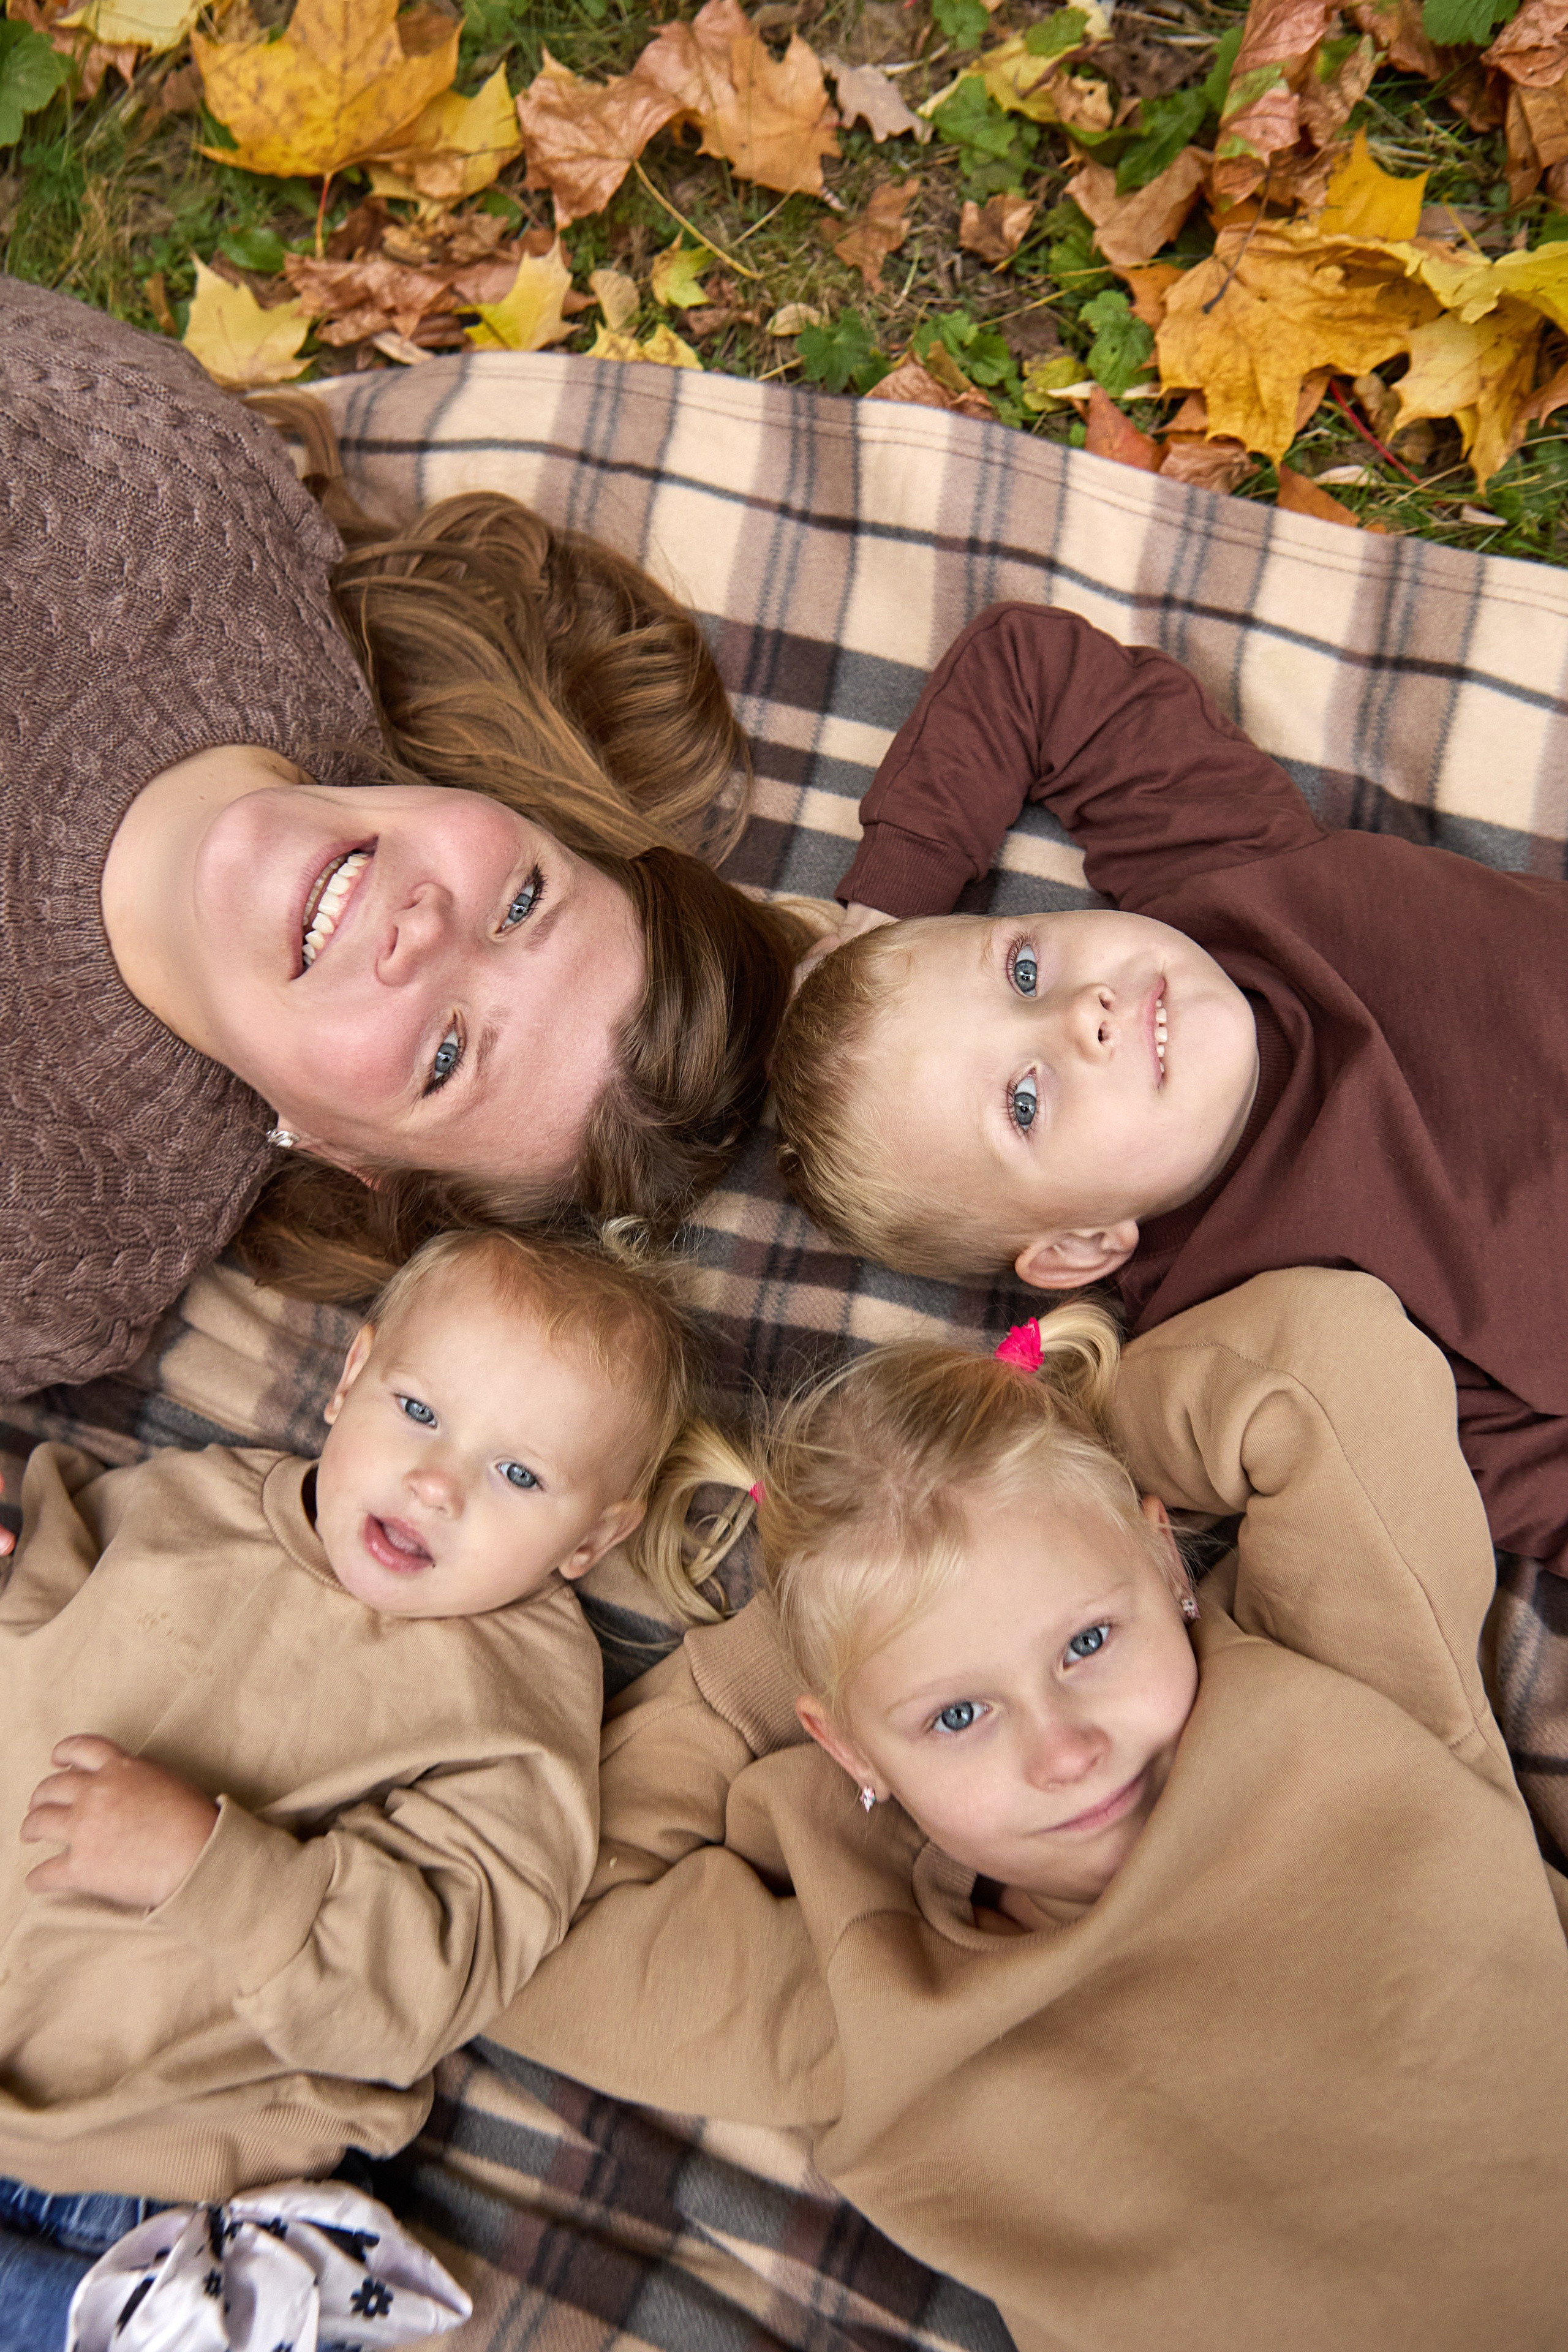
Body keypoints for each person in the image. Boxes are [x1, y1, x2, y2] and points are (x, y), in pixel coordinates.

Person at [487, 1270, 1568, 2352]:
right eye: (957, 1713)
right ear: (849, 1747)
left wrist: (1057, 1459)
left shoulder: (1340, 1666)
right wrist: (775, 1656)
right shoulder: (877, 1990)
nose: (1065, 1752)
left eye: (1089, 1644)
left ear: (1160, 1555)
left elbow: (1322, 1356)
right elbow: (526, 1946)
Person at [1, 274, 809, 1395]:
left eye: (444, 1058)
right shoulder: (146, 493)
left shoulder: (52, 1260)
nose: (429, 931)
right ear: (518, 814)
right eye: (523, 902)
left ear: (342, 1151)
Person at [0, 1224, 725, 2346]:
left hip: (139, 2170)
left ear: (592, 1540)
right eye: (420, 1412)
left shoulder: (514, 1706)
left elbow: (418, 1988)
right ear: (352, 1378)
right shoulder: (185, 1499)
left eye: (520, 1474)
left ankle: (216, 2313)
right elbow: (46, 1600)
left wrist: (209, 1869)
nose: (437, 1484)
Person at [771, 600, 1568, 1574]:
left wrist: (885, 905)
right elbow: (1506, 1474)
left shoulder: (1224, 884)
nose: (1081, 1014)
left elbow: (1032, 669)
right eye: (1024, 1101)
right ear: (1075, 1247)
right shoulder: (1262, 1335)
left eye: (1024, 969)